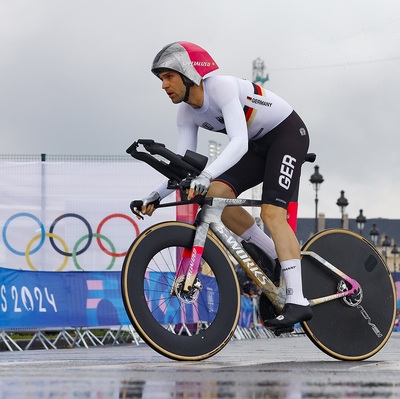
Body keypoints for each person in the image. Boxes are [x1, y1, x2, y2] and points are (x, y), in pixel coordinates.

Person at [140, 41, 312, 328]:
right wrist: (154, 196)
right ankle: (271, 255)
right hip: (258, 145)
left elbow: (239, 142)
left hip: (286, 133)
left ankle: (298, 300)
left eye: (168, 77)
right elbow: (184, 165)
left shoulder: (220, 88)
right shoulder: (185, 113)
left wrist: (205, 176)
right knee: (215, 198)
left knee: (272, 212)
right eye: (161, 79)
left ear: (187, 73)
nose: (164, 85)